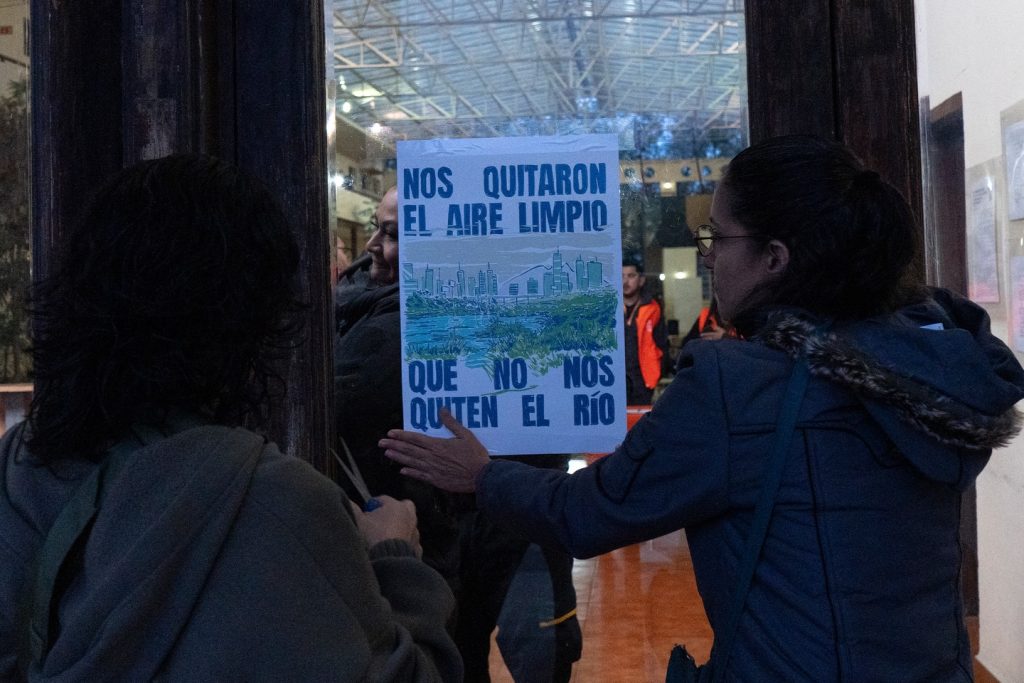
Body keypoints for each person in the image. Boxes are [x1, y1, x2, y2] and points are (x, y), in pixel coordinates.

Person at [379, 135, 1024, 680]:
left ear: (775, 258)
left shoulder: (736, 389)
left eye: (717, 234)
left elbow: (591, 511)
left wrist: (484, 473)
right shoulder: (937, 365)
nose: (708, 253)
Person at [0, 155, 462, 681]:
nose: (376, 249)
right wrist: (396, 556)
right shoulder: (277, 502)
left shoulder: (21, 465)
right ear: (256, 314)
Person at [334, 187, 581, 682]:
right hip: (433, 533)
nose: (371, 246)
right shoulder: (366, 315)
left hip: (503, 522)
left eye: (393, 234)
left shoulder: (378, 324)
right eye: (377, 228)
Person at [621, 259, 668, 404]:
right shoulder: (607, 308)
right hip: (614, 380)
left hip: (644, 381)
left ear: (641, 280)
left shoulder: (653, 309)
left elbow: (661, 346)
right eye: (621, 276)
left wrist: (658, 373)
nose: (625, 281)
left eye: (631, 276)